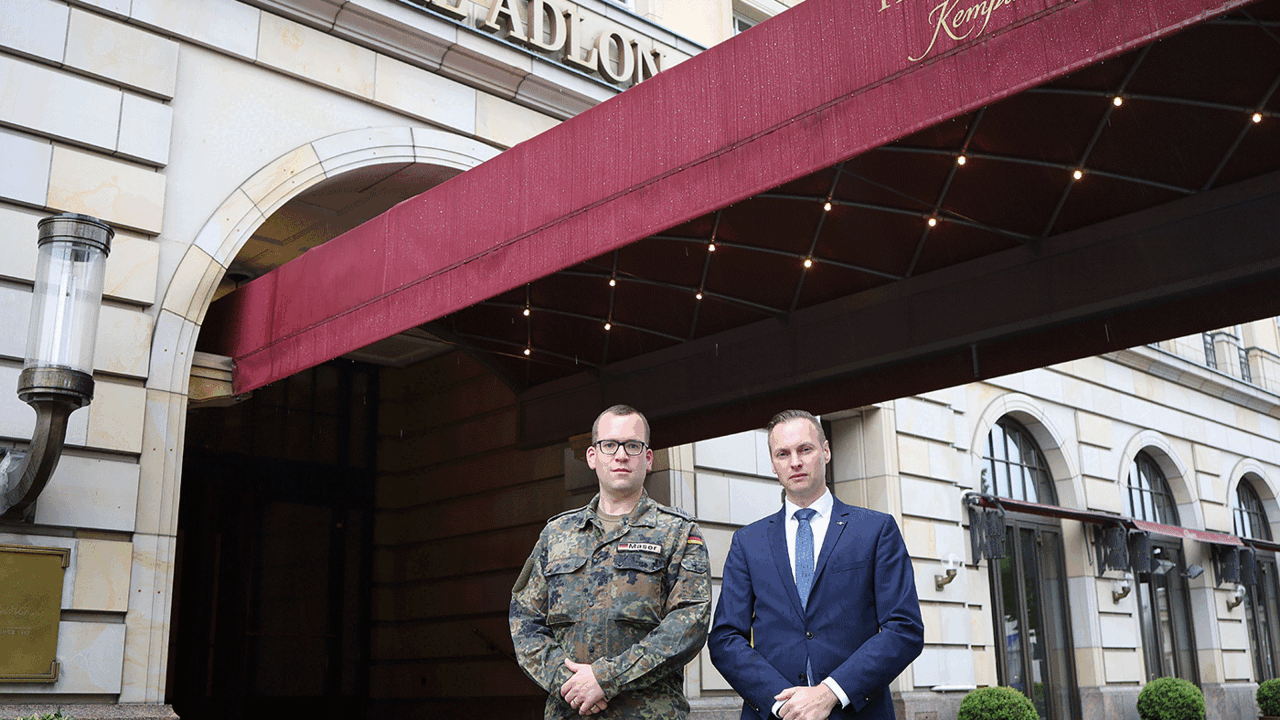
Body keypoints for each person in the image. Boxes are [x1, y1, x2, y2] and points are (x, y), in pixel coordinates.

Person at [708, 410, 923, 720]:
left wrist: (830, 692)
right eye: (783, 453)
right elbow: (725, 638)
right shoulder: (747, 542)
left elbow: (904, 629)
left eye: (804, 449)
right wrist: (784, 704)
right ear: (773, 464)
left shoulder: (876, 531)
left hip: (856, 711)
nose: (794, 461)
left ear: (825, 451)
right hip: (776, 714)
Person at [511, 404, 711, 719]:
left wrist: (608, 678)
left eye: (633, 445)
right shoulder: (556, 534)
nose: (620, 455)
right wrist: (569, 685)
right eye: (609, 445)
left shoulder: (678, 532)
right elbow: (525, 620)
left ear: (648, 458)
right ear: (592, 456)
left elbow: (690, 622)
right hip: (570, 711)